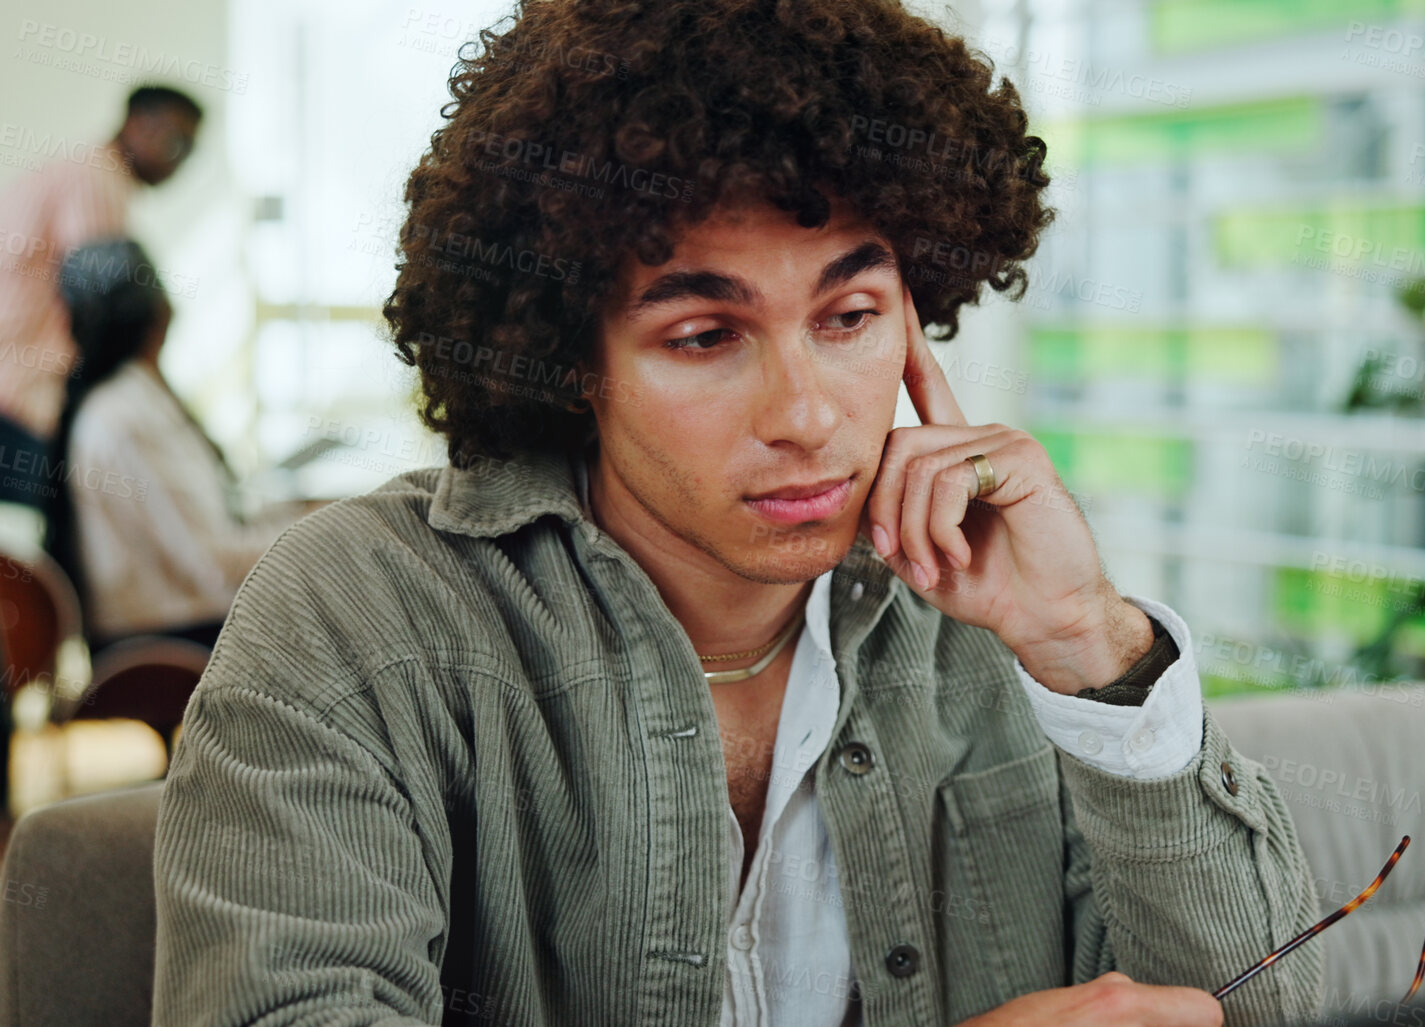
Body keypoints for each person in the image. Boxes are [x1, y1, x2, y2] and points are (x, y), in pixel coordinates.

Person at [150, 3, 1326, 1025]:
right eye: (706, 336)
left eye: (851, 314)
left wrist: (1089, 647)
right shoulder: (359, 612)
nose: (807, 413)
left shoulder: (988, 613)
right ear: (572, 360)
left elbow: (1257, 1000)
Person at [45, 238, 304, 650]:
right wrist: (314, 532)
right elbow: (211, 561)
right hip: (173, 641)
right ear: (160, 316)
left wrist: (292, 517)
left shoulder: (118, 402)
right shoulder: (125, 413)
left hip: (169, 629)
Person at [0, 86, 202, 541]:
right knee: (46, 559)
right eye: (175, 142)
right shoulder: (98, 177)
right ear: (136, 124)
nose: (178, 162)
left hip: (16, 390)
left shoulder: (78, 169)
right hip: (18, 394)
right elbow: (108, 304)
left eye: (188, 152)